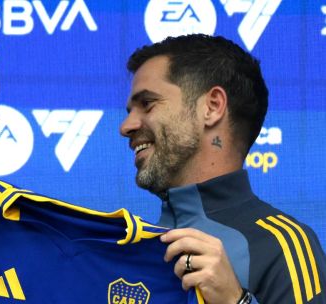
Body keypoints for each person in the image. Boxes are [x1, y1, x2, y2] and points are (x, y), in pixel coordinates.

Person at [120, 34, 326, 304]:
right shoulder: (129, 248)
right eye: (129, 110)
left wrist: (235, 300)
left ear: (213, 107)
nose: (125, 127)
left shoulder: (285, 246)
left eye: (147, 104)